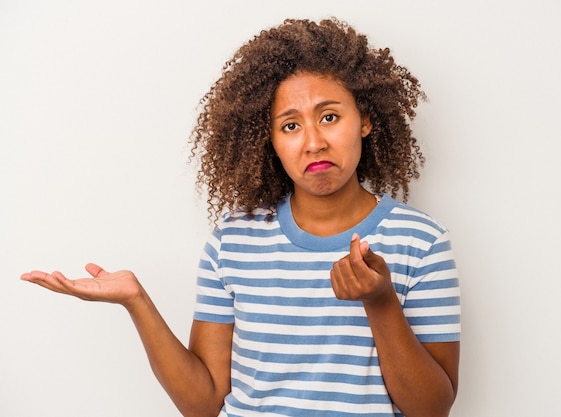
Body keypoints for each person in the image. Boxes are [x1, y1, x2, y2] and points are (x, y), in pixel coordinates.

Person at [21, 18, 461, 417]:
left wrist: (380, 302)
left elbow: (431, 408)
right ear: (267, 140)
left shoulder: (421, 241)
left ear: (365, 120)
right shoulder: (233, 242)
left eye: (329, 117)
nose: (313, 142)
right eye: (290, 126)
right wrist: (137, 301)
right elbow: (204, 401)